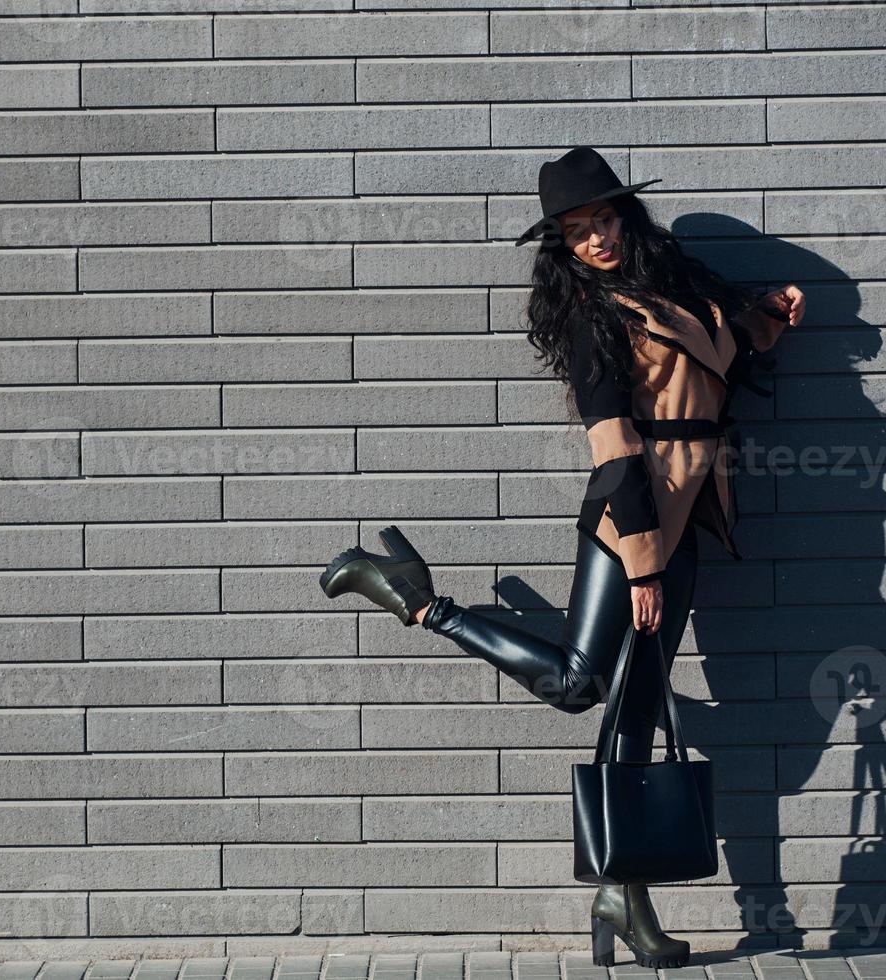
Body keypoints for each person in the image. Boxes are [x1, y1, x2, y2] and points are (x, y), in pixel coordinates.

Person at [319, 146, 804, 967]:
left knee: (638, 709)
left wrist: (769, 314)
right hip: (633, 521)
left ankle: (623, 890)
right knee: (583, 686)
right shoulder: (594, 317)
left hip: (689, 522)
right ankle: (418, 601)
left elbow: (719, 361)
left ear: (626, 218)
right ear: (564, 248)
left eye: (602, 222)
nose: (594, 241)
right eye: (575, 234)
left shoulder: (676, 288)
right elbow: (613, 449)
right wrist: (644, 564)